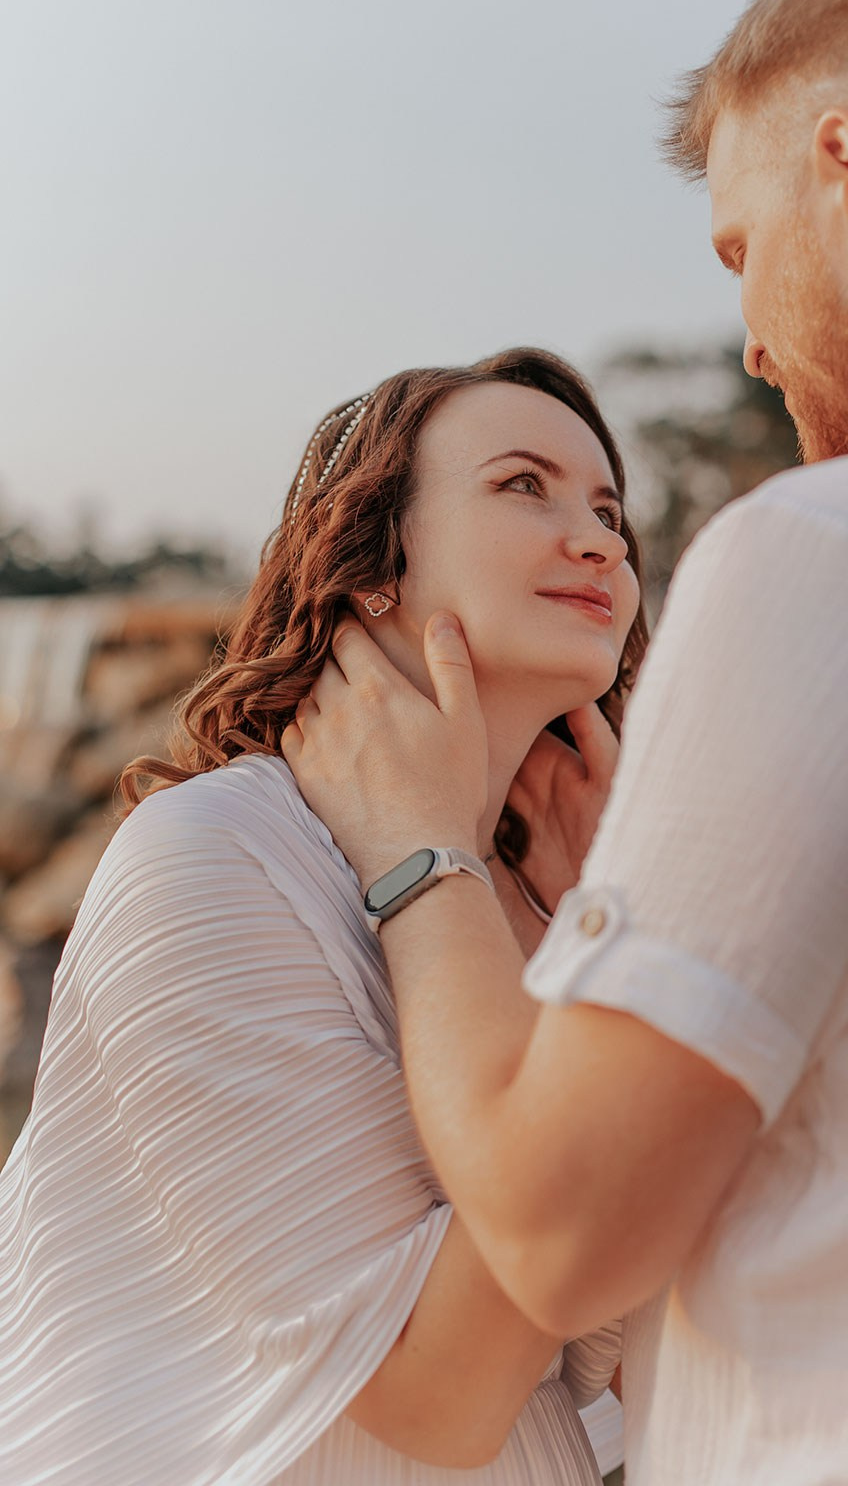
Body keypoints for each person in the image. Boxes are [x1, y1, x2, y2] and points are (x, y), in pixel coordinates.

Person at [282, 0, 848, 1486]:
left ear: (847, 174)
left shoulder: (840, 554)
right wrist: (623, 929)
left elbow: (561, 1233)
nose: (752, 336)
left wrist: (422, 849)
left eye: (734, 250)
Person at [0, 347, 647, 1485]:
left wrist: (599, 922)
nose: (598, 539)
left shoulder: (543, 908)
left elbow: (638, 1344)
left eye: (607, 508)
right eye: (521, 485)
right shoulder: (212, 855)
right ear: (370, 566)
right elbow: (435, 1394)